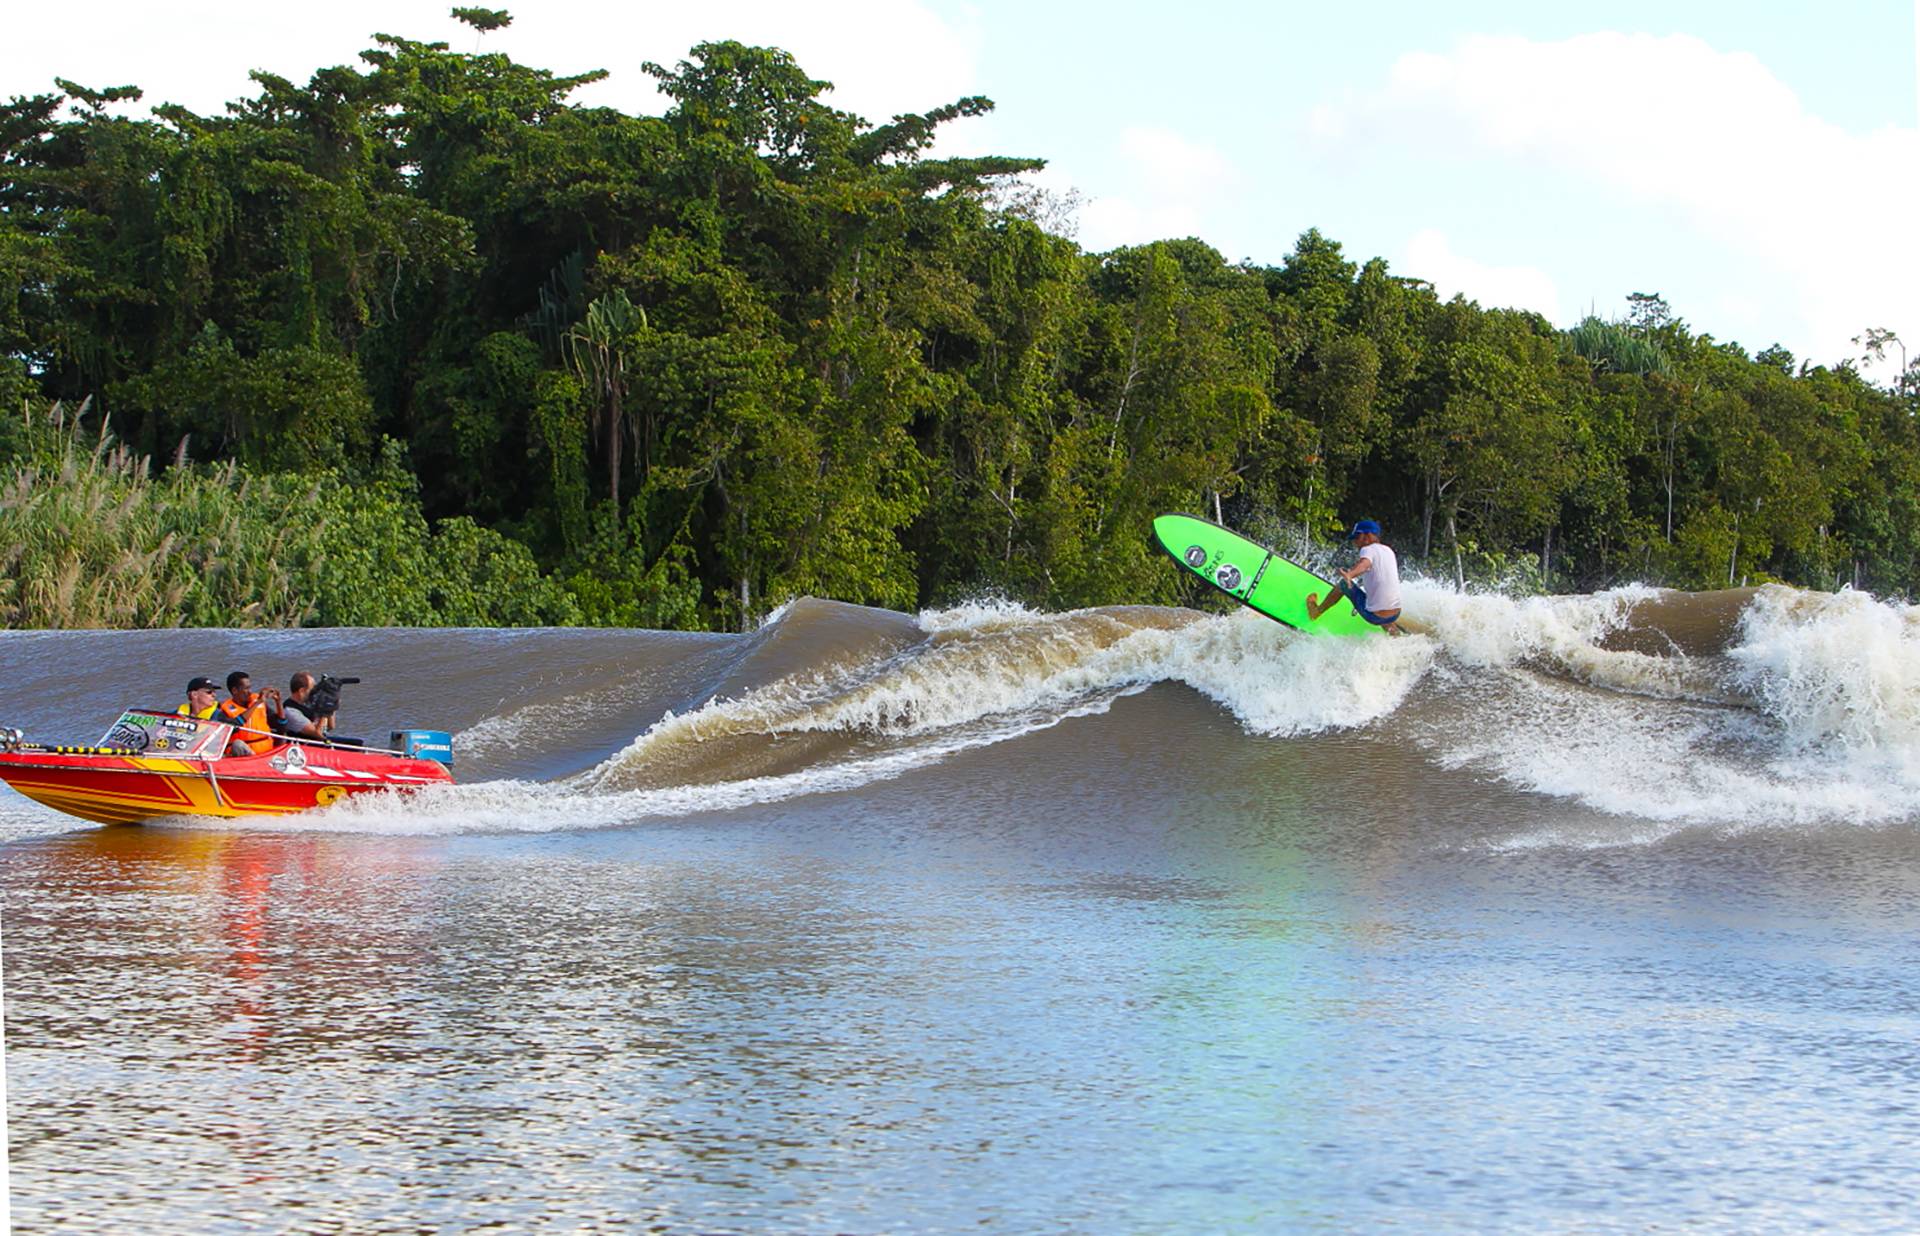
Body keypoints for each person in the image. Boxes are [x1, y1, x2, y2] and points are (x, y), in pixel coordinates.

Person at [1306, 519, 1404, 634]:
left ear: (1367, 535)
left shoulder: (1367, 549)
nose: (1355, 542)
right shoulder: (1388, 550)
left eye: (1357, 537)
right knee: (1381, 600)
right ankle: (1394, 634)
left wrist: (1349, 575)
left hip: (1374, 617)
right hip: (1396, 613)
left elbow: (1364, 564)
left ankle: (1316, 612)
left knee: (1344, 585)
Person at [216, 670, 276, 756]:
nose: (250, 692)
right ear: (234, 691)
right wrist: (256, 704)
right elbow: (235, 726)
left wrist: (278, 702)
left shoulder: (258, 702)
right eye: (246, 688)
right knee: (237, 744)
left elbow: (281, 725)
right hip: (242, 755)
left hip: (266, 752)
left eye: (250, 688)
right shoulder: (224, 711)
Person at [270, 672, 326, 741]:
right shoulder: (290, 711)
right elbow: (319, 734)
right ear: (301, 691)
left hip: (320, 743)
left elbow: (331, 726)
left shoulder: (308, 704)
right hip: (307, 747)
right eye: (313, 689)